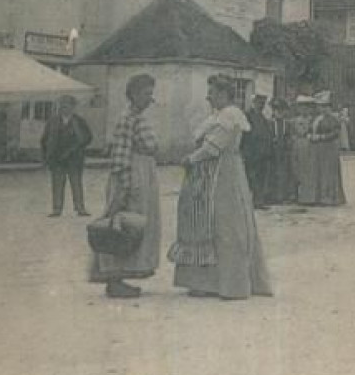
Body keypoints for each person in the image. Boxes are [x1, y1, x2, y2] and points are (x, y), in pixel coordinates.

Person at [168, 75, 273, 300]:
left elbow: (213, 148)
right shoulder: (218, 116)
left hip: (223, 175)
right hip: (210, 175)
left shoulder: (231, 117)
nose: (208, 96)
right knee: (208, 223)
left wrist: (190, 159)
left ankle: (229, 284)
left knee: (225, 225)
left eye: (213, 92)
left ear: (225, 94)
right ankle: (207, 282)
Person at [89, 75, 162, 299]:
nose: (150, 99)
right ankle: (114, 279)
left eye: (151, 93)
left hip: (143, 175)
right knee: (121, 225)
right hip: (133, 177)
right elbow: (120, 158)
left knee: (134, 227)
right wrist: (124, 188)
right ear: (134, 94)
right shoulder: (128, 119)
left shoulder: (136, 117)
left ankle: (121, 276)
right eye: (146, 93)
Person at [41, 95, 93, 217]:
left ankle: (80, 208)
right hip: (57, 159)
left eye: (67, 105)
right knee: (57, 184)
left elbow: (88, 137)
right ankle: (57, 209)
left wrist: (78, 147)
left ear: (73, 107)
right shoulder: (52, 122)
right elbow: (44, 140)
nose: (64, 108)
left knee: (76, 184)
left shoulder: (79, 121)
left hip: (74, 159)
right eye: (62, 106)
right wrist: (46, 156)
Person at [298, 92, 348, 206]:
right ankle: (317, 197)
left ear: (329, 107)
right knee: (318, 172)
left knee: (328, 172)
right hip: (317, 150)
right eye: (321, 106)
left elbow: (335, 133)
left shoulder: (333, 119)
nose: (322, 109)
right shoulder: (316, 118)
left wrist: (321, 137)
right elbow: (310, 129)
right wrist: (309, 135)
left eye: (325, 106)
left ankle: (329, 197)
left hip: (329, 149)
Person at [241, 93, 275, 208]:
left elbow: (267, 135)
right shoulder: (247, 116)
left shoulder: (263, 118)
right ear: (253, 102)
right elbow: (244, 134)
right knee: (251, 177)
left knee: (260, 177)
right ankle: (251, 201)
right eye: (259, 102)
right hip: (251, 152)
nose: (261, 105)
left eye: (263, 103)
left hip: (263, 153)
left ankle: (259, 200)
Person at [267, 95, 296, 205]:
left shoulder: (287, 124)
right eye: (276, 110)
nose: (278, 112)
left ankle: (282, 195)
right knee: (272, 173)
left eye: (281, 110)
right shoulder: (269, 122)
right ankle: (272, 195)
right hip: (272, 151)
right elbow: (267, 136)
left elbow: (289, 136)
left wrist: (288, 143)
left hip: (283, 151)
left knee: (283, 173)